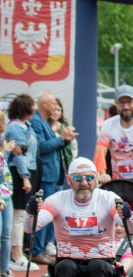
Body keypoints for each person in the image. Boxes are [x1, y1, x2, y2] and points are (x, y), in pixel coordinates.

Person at [30, 92, 78, 265]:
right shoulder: (37, 121)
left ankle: (40, 248)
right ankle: (37, 250)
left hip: (51, 174)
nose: (56, 107)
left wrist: (65, 140)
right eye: (52, 104)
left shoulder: (43, 122)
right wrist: (61, 139)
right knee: (44, 211)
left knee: (49, 211)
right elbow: (41, 147)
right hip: (45, 175)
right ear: (43, 104)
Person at [6, 94, 38, 272]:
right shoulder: (16, 127)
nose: (34, 109)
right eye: (32, 106)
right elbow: (19, 154)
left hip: (28, 170)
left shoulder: (27, 125)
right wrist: (24, 176)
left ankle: (17, 252)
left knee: (20, 214)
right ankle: (16, 255)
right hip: (20, 173)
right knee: (18, 215)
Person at [0, 113, 19, 277]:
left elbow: (4, 171)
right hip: (1, 197)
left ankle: (3, 271)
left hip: (5, 194)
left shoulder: (2, 141)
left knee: (6, 235)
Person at [48, 97, 77, 176]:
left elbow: (73, 147)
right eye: (54, 110)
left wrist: (72, 162)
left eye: (58, 110)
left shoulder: (65, 126)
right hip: (49, 165)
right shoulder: (44, 126)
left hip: (62, 166)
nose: (56, 112)